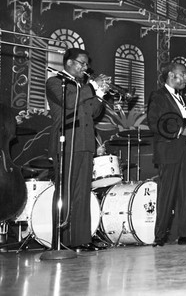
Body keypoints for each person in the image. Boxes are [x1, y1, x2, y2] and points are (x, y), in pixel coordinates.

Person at [46, 48, 109, 251]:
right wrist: (92, 86)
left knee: (82, 192)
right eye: (82, 63)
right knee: (66, 191)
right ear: (69, 63)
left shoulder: (82, 87)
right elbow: (70, 102)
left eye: (86, 64)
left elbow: (94, 112)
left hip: (84, 143)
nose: (85, 67)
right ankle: (61, 240)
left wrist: (99, 94)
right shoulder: (55, 82)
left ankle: (81, 239)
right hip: (67, 142)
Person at [146, 61, 186, 246]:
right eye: (183, 74)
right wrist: (181, 131)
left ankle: (185, 234)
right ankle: (160, 236)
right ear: (171, 75)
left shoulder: (183, 98)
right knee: (167, 195)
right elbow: (155, 123)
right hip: (169, 151)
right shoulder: (158, 96)